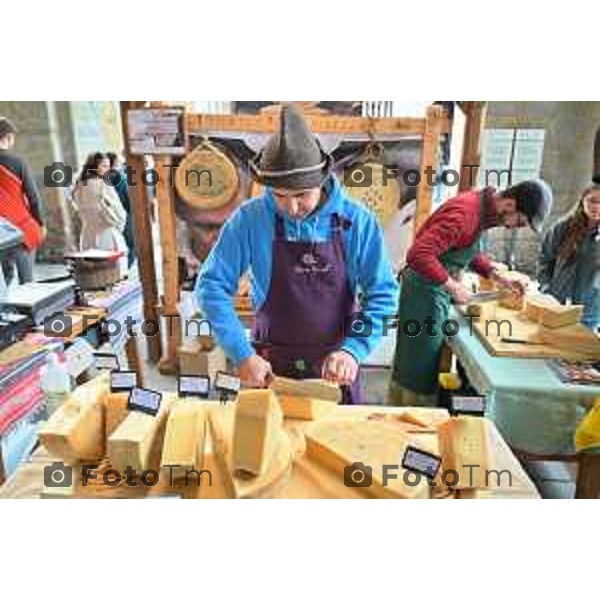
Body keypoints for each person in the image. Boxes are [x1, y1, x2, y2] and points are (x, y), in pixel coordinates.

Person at [196, 104, 398, 403]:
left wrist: (354, 349)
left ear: (322, 179)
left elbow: (383, 294)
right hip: (268, 363)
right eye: (279, 196)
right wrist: (241, 353)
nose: (291, 208)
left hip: (336, 363)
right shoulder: (250, 219)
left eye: (301, 195)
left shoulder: (357, 221)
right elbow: (211, 287)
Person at [390, 179, 553, 406]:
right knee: (418, 362)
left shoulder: (482, 211)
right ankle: (407, 416)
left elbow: (466, 248)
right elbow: (418, 254)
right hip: (423, 292)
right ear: (510, 204)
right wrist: (453, 286)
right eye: (521, 222)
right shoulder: (464, 214)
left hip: (434, 289)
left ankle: (409, 407)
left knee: (423, 359)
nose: (516, 228)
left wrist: (495, 275)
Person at [539, 183, 600, 330]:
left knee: (580, 350)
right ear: (582, 201)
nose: (597, 207)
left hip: (589, 312)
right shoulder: (563, 227)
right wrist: (546, 289)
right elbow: (545, 259)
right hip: (556, 304)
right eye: (592, 200)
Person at [0, 117, 45, 285]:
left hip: (1, 233)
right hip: (21, 229)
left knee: (5, 279)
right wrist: (41, 223)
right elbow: (33, 198)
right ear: (8, 137)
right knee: (27, 282)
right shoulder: (18, 162)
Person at [72, 152, 128, 276]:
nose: (108, 170)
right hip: (108, 235)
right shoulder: (103, 185)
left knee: (93, 277)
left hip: (87, 236)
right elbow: (119, 212)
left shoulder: (79, 186)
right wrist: (119, 228)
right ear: (94, 167)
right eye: (104, 166)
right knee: (113, 276)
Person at [107, 152, 135, 268]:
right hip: (125, 215)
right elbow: (128, 198)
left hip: (109, 217)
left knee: (115, 245)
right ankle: (125, 269)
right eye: (118, 161)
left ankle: (116, 270)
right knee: (130, 245)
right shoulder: (121, 177)